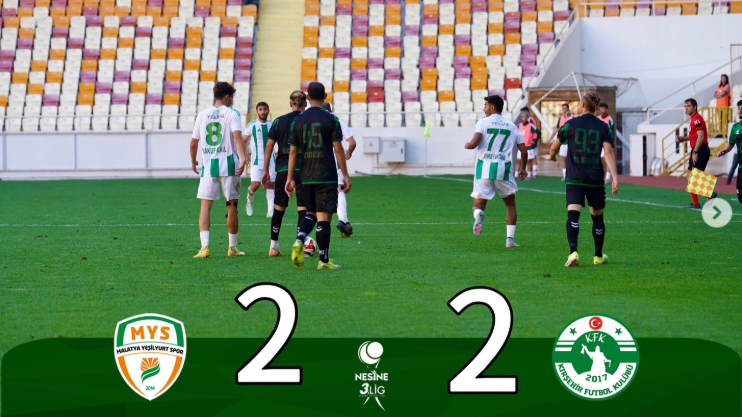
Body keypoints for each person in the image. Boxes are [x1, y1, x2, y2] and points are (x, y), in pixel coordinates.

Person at [544, 91, 618, 267]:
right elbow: (608, 153)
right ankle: (598, 256)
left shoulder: (570, 124)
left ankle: (573, 253)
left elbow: (554, 147)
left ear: (583, 105)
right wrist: (615, 177)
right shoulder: (603, 127)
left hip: (575, 178)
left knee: (573, 215)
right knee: (597, 218)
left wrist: (552, 156)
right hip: (595, 179)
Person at [286, 82, 351, 269]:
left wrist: (290, 178)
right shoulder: (331, 119)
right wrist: (345, 175)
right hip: (326, 174)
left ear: (307, 98)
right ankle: (323, 260)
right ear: (325, 97)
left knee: (310, 213)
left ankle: (300, 239)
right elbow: (338, 149)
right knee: (324, 218)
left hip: (306, 175)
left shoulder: (298, 120)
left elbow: (292, 152)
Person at [189, 82, 247, 259]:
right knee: (232, 206)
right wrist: (243, 158)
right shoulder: (232, 114)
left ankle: (204, 248)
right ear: (227, 97)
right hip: (229, 166)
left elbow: (193, 143)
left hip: (208, 167)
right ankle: (232, 248)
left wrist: (193, 161)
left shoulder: (202, 115)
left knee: (205, 207)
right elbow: (237, 136)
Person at [465, 95, 527, 248]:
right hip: (504, 170)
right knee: (510, 205)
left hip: (483, 169)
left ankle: (478, 214)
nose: (484, 108)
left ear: (492, 107)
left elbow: (474, 143)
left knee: (478, 205)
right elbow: (524, 151)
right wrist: (522, 169)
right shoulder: (512, 126)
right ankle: (510, 240)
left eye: (485, 105)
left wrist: (468, 145)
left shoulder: (482, 122)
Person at [262, 91, 307, 257]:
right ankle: (299, 244)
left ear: (290, 103)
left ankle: (273, 247)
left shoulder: (278, 121)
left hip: (282, 169)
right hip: (303, 169)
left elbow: (269, 146)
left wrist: (265, 171)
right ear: (305, 104)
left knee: (279, 208)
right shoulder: (308, 121)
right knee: (303, 209)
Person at [322, 102, 356, 237]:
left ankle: (345, 222)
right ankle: (342, 220)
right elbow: (352, 143)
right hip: (335, 159)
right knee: (339, 189)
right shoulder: (337, 120)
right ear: (331, 110)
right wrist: (349, 152)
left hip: (317, 161)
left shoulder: (313, 120)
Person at [676, 98, 716, 209]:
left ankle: (705, 196)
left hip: (700, 149)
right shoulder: (694, 119)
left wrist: (695, 151)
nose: (686, 108)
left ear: (695, 107)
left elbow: (701, 136)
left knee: (692, 176)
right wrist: (683, 138)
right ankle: (702, 198)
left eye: (688, 106)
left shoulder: (697, 119)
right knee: (691, 175)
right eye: (685, 106)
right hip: (699, 149)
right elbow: (695, 136)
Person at [244, 102, 275, 218]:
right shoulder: (252, 125)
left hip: (271, 160)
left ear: (268, 111)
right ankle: (249, 200)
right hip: (257, 160)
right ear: (257, 111)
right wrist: (245, 155)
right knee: (255, 185)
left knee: (270, 183)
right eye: (260, 109)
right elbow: (243, 140)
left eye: (265, 109)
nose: (263, 111)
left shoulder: (272, 125)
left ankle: (270, 210)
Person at [716, 99, 742, 203]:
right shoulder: (735, 128)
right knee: (740, 196)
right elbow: (731, 143)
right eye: (739, 108)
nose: (740, 110)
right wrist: (724, 151)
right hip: (741, 166)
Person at [548, 103, 574, 181]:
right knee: (564, 159)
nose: (564, 110)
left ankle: (572, 175)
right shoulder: (561, 119)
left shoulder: (572, 118)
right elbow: (556, 129)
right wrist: (550, 139)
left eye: (566, 108)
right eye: (563, 109)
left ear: (568, 109)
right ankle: (565, 176)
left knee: (571, 159)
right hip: (563, 142)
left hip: (571, 141)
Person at [517, 111, 541, 179]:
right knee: (518, 161)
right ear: (521, 118)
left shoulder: (531, 125)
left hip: (529, 146)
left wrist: (534, 141)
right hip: (521, 146)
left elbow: (538, 133)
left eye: (525, 117)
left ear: (528, 117)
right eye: (522, 117)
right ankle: (516, 175)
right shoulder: (519, 125)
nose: (524, 118)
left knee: (529, 161)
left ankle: (530, 174)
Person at [597, 103, 615, 184]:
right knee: (599, 159)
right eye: (600, 109)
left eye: (603, 109)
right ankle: (599, 175)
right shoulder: (597, 118)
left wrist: (612, 144)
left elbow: (612, 132)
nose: (602, 110)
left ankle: (607, 177)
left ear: (607, 109)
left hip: (607, 142)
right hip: (598, 142)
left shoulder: (610, 119)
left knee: (607, 159)